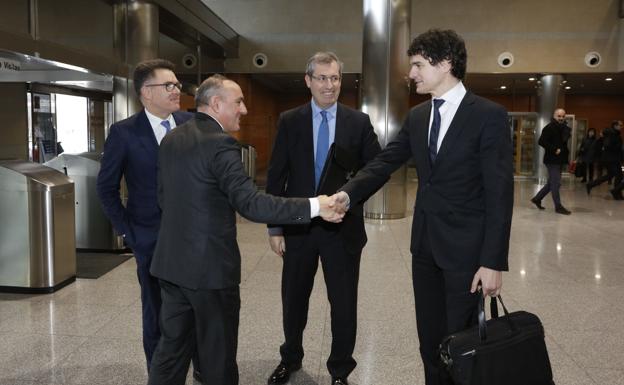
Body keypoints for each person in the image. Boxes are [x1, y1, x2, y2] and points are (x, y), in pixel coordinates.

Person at [331, 29, 514, 385]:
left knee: (461, 344)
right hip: (425, 249)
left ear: (445, 63)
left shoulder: (488, 115)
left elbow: (499, 193)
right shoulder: (419, 117)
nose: (411, 73)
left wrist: (493, 261)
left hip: (467, 253)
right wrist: (348, 194)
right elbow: (385, 162)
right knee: (429, 343)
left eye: (417, 64)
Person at [147, 74, 344, 385]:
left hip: (171, 266)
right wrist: (315, 205)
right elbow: (251, 204)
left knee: (170, 353)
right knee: (217, 358)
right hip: (210, 273)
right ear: (215, 103)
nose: (244, 109)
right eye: (238, 102)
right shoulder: (220, 143)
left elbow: (162, 198)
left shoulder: (173, 137)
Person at [264, 52, 381, 385]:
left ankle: (341, 370)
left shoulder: (358, 122)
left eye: (335, 79)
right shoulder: (289, 121)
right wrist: (275, 226)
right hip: (299, 228)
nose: (329, 85)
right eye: (322, 78)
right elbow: (276, 177)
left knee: (343, 305)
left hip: (342, 229)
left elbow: (376, 170)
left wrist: (350, 197)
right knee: (294, 299)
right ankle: (291, 358)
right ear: (308, 80)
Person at [96, 59, 194, 371]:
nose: (176, 90)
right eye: (168, 85)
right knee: (157, 311)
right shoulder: (124, 133)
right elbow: (106, 188)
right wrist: (128, 232)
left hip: (195, 237)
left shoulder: (192, 123)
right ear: (145, 93)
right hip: (150, 239)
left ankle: (200, 366)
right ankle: (160, 373)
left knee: (197, 308)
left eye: (177, 84)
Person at [530, 108, 572, 215]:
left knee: (552, 183)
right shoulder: (549, 128)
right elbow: (541, 141)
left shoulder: (565, 128)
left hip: (560, 159)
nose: (561, 118)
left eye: (563, 116)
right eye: (559, 116)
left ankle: (537, 199)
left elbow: (563, 142)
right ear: (554, 116)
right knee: (556, 184)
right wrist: (554, 149)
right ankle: (558, 207)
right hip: (552, 160)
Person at [588, 120, 623, 199]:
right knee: (619, 175)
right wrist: (617, 148)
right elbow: (607, 145)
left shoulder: (615, 134)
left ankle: (591, 184)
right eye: (620, 125)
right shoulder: (612, 134)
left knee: (611, 175)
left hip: (614, 158)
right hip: (611, 159)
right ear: (615, 126)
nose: (621, 127)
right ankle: (616, 193)